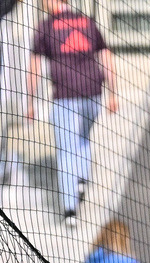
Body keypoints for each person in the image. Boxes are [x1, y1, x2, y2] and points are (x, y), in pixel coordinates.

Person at [27, 0, 119, 227]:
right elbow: (106, 57)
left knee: (66, 150)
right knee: (83, 139)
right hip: (93, 93)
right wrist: (113, 93)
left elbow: (34, 68)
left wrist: (30, 101)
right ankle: (81, 181)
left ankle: (70, 208)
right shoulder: (88, 22)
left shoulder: (45, 27)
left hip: (65, 95)